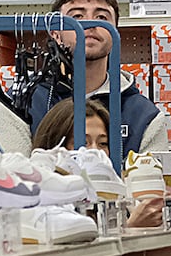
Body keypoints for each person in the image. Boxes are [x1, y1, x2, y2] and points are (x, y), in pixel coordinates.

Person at [31, 0, 170, 158]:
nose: (90, 24)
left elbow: (153, 183)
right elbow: (7, 178)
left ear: (116, 31)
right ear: (55, 33)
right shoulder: (20, 106)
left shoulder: (145, 116)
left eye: (102, 18)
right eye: (77, 17)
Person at [33, 96, 164, 229]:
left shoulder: (120, 206)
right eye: (84, 143)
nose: (95, 151)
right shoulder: (36, 207)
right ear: (55, 146)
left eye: (103, 143)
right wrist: (132, 228)